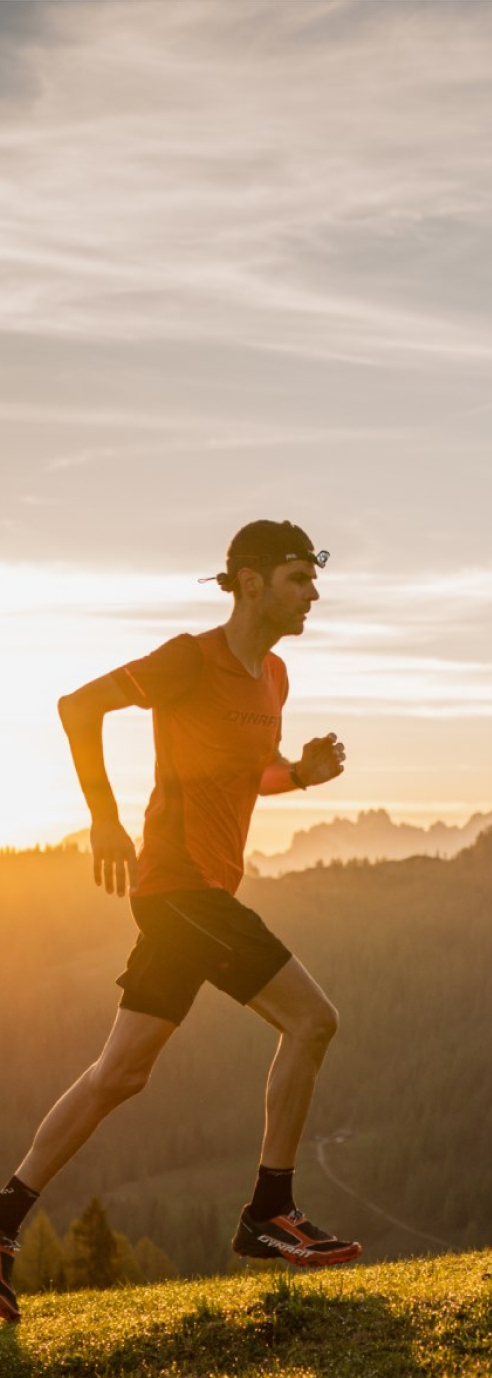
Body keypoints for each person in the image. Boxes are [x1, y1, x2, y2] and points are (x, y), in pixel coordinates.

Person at [1, 520, 361, 1324]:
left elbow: (242, 774)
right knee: (312, 1020)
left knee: (118, 1074)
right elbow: (77, 706)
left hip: (195, 893)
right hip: (181, 889)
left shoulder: (274, 674)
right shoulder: (187, 658)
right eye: (299, 577)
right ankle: (270, 1211)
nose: (313, 593)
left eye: (314, 577)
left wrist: (300, 773)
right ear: (248, 581)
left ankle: (0, 1222)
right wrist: (103, 817)